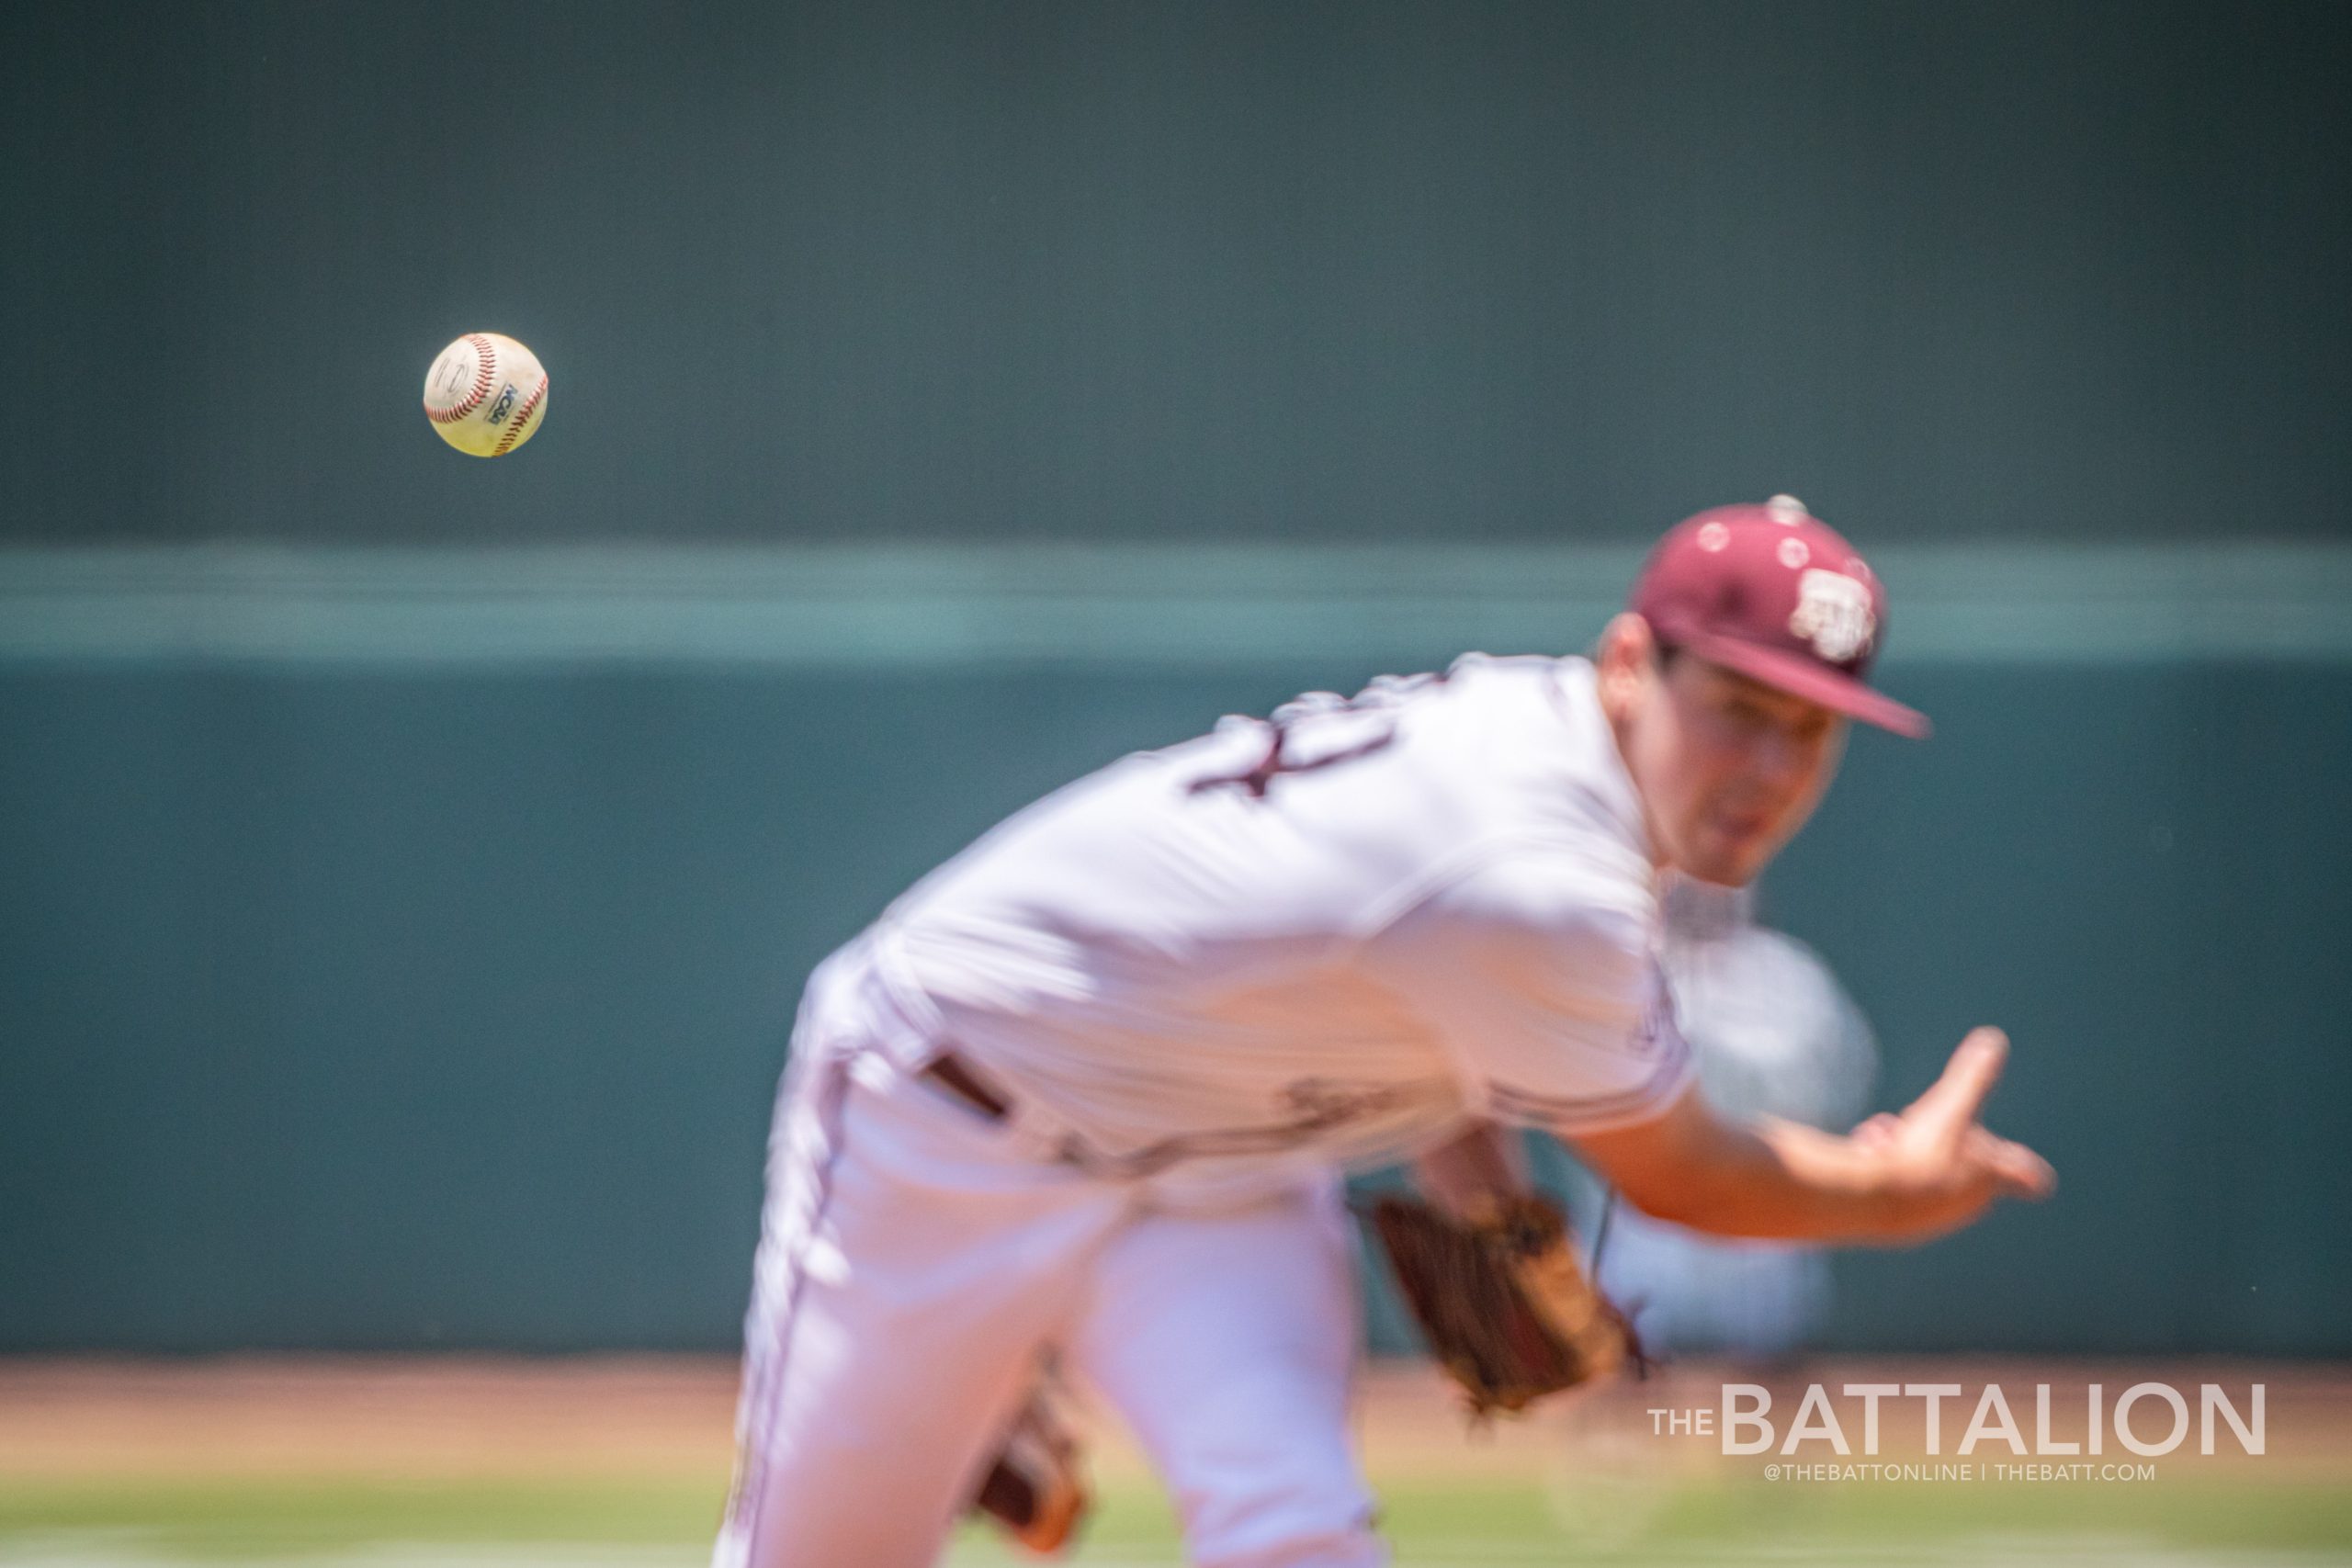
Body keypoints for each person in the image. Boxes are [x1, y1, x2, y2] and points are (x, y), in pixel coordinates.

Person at [713, 497, 2056, 1568]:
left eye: (1812, 733)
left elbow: (1431, 1013)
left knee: (1299, 1531)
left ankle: (1003, 1370)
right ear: (1634, 661)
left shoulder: (1561, 759)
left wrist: (1493, 1202)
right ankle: (986, 1359)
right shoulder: (1546, 870)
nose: (1771, 768)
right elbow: (1683, 1175)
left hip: (1218, 1165)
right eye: (1744, 711)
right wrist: (1892, 1190)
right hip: (949, 1121)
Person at [1590, 875, 1881, 1360]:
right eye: (1690, 894)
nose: (1703, 906)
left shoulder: (1786, 974)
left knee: (1771, 1347)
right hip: (1649, 1197)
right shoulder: (1627, 965)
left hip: (1759, 1175)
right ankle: (1618, 1432)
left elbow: (1844, 1070)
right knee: (1625, 1342)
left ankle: (1776, 1431)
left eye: (1714, 895)